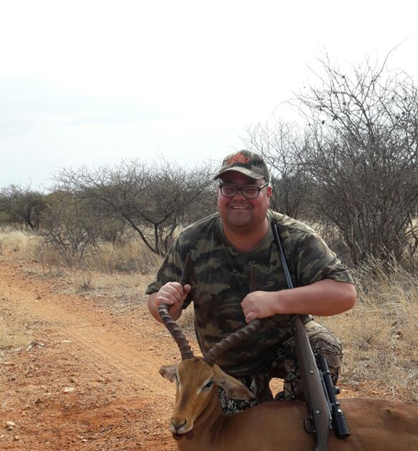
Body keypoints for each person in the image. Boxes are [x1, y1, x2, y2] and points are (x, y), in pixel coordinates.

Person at [147, 150, 356, 414]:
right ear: (219, 193)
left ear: (267, 194)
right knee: (233, 442)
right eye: (229, 188)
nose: (238, 197)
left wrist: (277, 301)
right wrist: (165, 304)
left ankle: (299, 423)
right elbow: (156, 302)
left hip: (286, 345)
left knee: (324, 347)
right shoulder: (192, 240)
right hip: (227, 365)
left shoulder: (295, 237)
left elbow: (345, 293)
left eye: (250, 189)